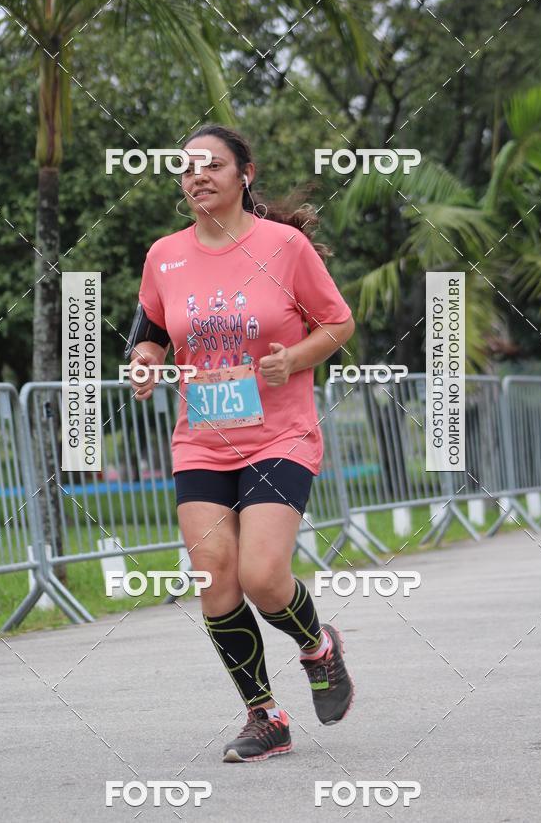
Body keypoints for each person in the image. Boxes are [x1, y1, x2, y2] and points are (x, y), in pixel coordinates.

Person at [126, 124, 355, 763]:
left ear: (245, 174)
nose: (197, 176)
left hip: (279, 434)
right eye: (187, 167)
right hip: (201, 438)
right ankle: (265, 716)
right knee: (215, 579)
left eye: (212, 165)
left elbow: (338, 322)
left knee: (260, 575)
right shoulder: (163, 254)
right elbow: (150, 327)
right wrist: (144, 359)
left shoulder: (284, 246)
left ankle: (318, 648)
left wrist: (296, 358)